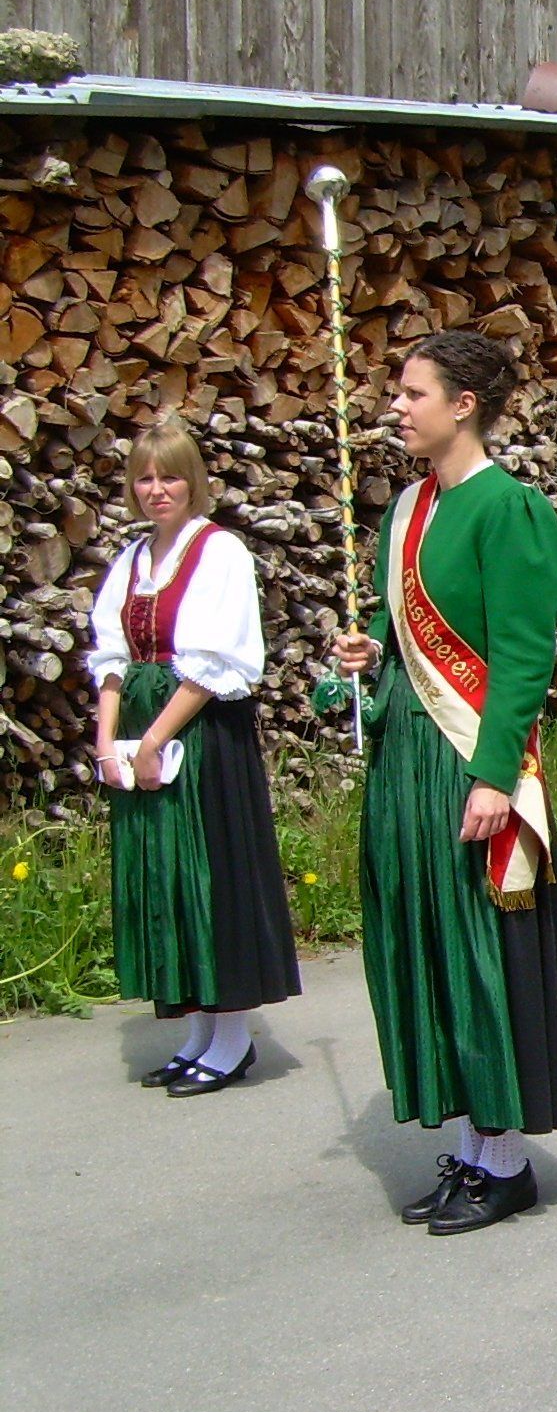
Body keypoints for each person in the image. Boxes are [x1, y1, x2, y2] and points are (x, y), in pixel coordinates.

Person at [332, 332, 557, 1235]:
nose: (397, 407)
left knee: (481, 948)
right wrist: (371, 643)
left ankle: (508, 1157)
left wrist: (492, 777)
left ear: (464, 405)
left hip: (469, 755)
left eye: (413, 393)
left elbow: (521, 656)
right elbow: (400, 614)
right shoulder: (406, 506)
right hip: (406, 745)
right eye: (396, 392)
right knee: (428, 939)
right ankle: (475, 1142)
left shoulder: (510, 510)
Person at [89, 420, 299, 1095]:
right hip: (145, 732)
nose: (157, 490)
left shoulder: (221, 552)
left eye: (171, 476)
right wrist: (107, 741)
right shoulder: (132, 561)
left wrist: (154, 741)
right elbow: (111, 658)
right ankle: (199, 1031)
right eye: (145, 477)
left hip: (203, 734)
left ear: (194, 482)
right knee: (168, 879)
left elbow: (213, 666)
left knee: (213, 876)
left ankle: (232, 1037)